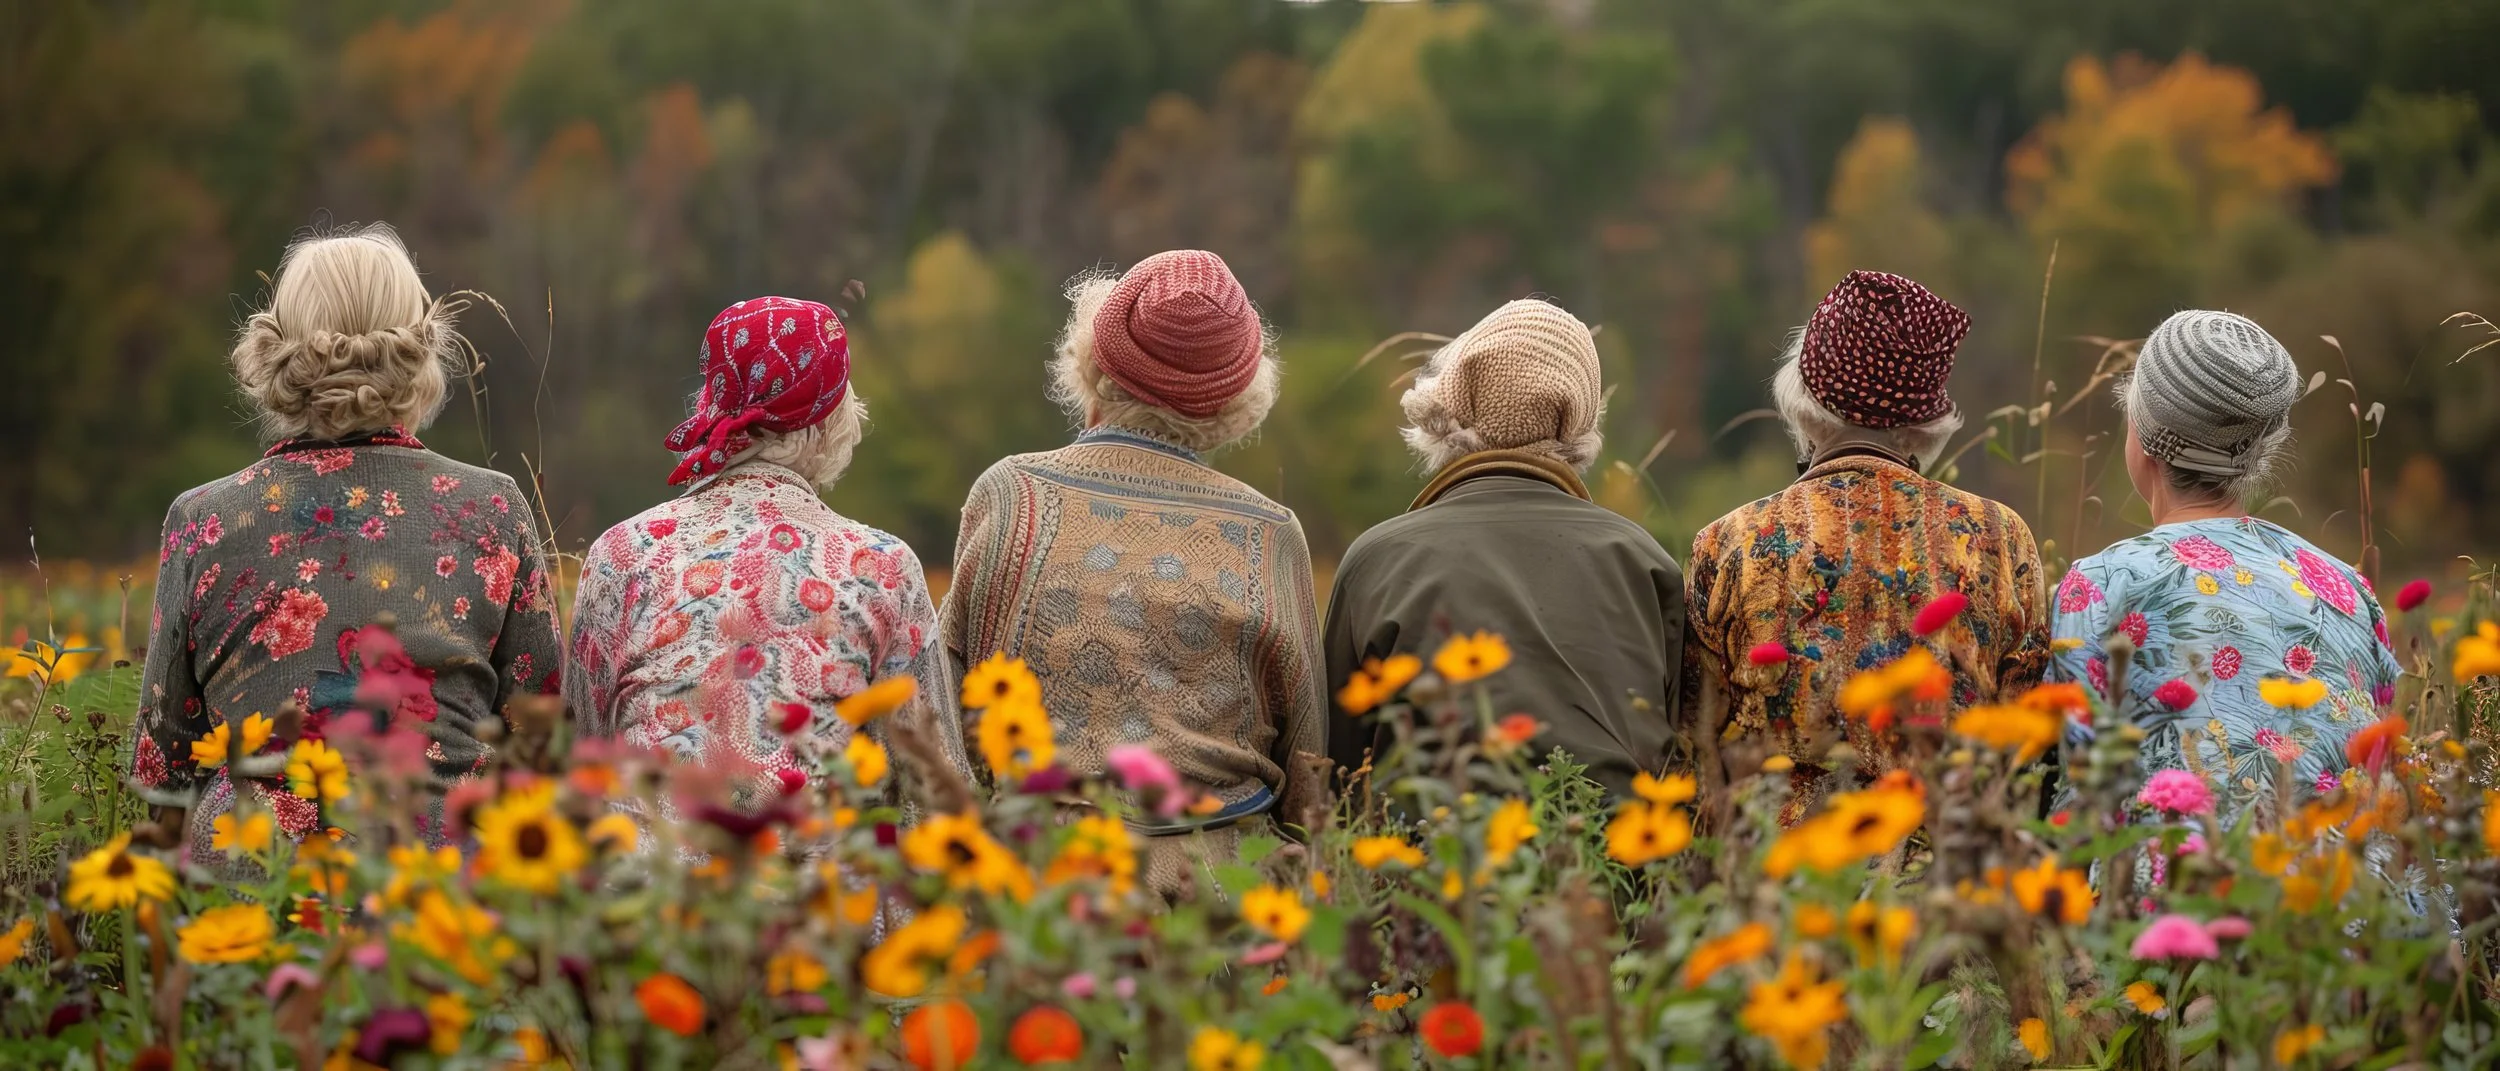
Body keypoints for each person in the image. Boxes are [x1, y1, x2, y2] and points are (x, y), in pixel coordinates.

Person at [132, 224, 563, 865]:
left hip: (252, 885)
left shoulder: (203, 520)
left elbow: (161, 767)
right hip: (444, 886)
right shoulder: (492, 507)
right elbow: (540, 738)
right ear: (422, 352)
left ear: (274, 351)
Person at [940, 250, 1324, 894]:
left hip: (1031, 884)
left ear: (1093, 359)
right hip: (1219, 892)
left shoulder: (1010, 493)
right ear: (1235, 397)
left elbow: (946, 700)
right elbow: (1308, 765)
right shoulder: (1271, 533)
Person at [566, 296, 964, 810]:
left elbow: (579, 761)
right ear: (828, 420)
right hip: (812, 859)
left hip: (652, 859)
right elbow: (931, 791)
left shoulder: (622, 552)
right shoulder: (882, 566)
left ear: (711, 404)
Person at [1683, 270, 2049, 824]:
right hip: (1951, 859)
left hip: (1778, 863)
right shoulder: (1997, 536)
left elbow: (1698, 746)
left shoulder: (1731, 542)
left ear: (1803, 398)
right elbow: (2026, 746)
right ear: (1928, 420)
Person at [1323, 298, 1683, 799]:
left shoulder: (1375, 559)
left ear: (1445, 415)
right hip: (1613, 843)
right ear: (1579, 425)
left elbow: (1334, 765)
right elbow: (1681, 747)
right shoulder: (1644, 560)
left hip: (1430, 843)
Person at [2050, 310, 2397, 823]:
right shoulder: (2346, 587)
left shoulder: (2102, 585)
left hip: (2187, 869)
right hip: (2343, 871)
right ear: (2260, 449)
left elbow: (2077, 790)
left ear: (2141, 438)